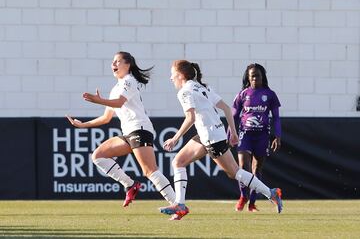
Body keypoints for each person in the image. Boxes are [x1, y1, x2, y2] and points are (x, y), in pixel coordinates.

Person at [159, 60, 283, 220]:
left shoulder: (184, 92)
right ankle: (180, 205)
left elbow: (190, 117)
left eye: (173, 74)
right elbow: (226, 108)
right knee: (178, 162)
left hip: (211, 137)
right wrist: (233, 132)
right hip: (210, 134)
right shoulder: (202, 87)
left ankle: (271, 193)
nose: (171, 78)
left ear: (181, 75)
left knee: (235, 173)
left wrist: (175, 138)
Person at [66, 51, 176, 208]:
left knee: (150, 171)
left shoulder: (129, 81)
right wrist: (82, 125)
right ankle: (130, 185)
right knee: (98, 156)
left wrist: (99, 100)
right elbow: (106, 118)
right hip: (129, 132)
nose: (113, 64)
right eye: (113, 62)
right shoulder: (115, 88)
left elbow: (119, 103)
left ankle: (177, 204)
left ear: (128, 65)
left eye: (117, 61)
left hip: (140, 129)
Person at [232, 63, 281, 212]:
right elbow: (233, 115)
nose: (255, 78)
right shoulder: (242, 94)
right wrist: (230, 134)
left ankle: (252, 203)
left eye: (257, 75)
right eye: (252, 76)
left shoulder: (270, 94)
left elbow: (277, 118)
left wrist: (277, 136)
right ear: (248, 77)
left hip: (262, 136)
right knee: (242, 167)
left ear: (262, 77)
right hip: (245, 134)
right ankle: (243, 196)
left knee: (256, 169)